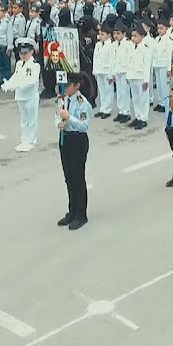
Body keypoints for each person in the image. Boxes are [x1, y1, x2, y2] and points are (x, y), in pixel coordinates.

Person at [56, 71, 95, 229]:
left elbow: (85, 125)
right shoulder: (63, 99)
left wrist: (69, 117)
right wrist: (59, 123)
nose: (65, 88)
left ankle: (81, 214)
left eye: (68, 85)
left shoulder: (82, 102)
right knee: (68, 177)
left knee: (78, 178)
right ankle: (72, 211)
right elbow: (57, 115)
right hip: (65, 138)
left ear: (77, 86)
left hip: (78, 140)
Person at [2, 37, 42, 152]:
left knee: (32, 119)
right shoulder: (19, 64)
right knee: (24, 120)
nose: (23, 55)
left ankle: (31, 141)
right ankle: (25, 139)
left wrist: (17, 85)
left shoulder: (35, 65)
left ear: (31, 52)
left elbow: (32, 81)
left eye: (25, 53)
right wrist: (8, 84)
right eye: (21, 53)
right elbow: (15, 76)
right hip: (20, 96)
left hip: (30, 96)